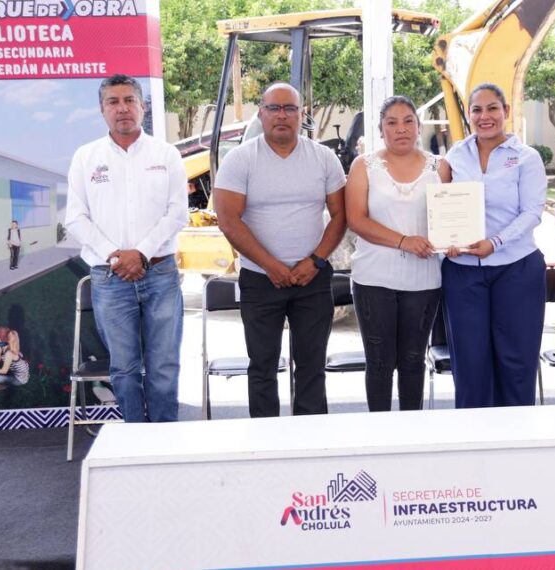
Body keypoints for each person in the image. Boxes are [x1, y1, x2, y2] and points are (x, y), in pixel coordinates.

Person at [213, 83, 346, 418]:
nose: (282, 115)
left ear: (302, 114)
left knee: (312, 367)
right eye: (274, 108)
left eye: (290, 108)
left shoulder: (323, 158)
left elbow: (341, 215)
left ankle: (311, 443)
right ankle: (266, 447)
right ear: (261, 113)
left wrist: (316, 261)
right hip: (260, 279)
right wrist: (271, 265)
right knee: (262, 367)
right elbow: (228, 221)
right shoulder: (240, 159)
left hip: (312, 279)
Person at [64, 74, 188, 423]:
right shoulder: (86, 157)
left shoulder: (166, 154)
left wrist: (142, 253)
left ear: (143, 107)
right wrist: (116, 256)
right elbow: (75, 217)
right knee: (124, 367)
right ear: (102, 110)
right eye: (113, 102)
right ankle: (135, 440)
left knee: (164, 365)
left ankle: (164, 441)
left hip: (160, 273)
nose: (122, 109)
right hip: (109, 276)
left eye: (129, 100)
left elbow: (178, 212)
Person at [439, 83, 547, 408]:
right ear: (468, 115)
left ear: (506, 112)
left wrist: (495, 242)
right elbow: (440, 204)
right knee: (470, 364)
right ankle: (473, 447)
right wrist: (447, 240)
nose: (484, 116)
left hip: (517, 269)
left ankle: (516, 446)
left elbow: (532, 213)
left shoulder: (526, 158)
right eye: (476, 109)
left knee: (516, 363)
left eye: (492, 108)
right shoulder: (454, 155)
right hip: (463, 274)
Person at [346, 96, 447, 411]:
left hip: (424, 279)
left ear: (418, 127)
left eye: (408, 121)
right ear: (380, 129)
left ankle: (410, 438)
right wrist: (403, 241)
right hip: (374, 278)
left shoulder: (439, 166)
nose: (400, 129)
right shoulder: (364, 165)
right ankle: (379, 439)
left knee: (414, 360)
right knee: (379, 362)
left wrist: (455, 239)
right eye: (392, 122)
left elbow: (451, 219)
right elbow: (356, 220)